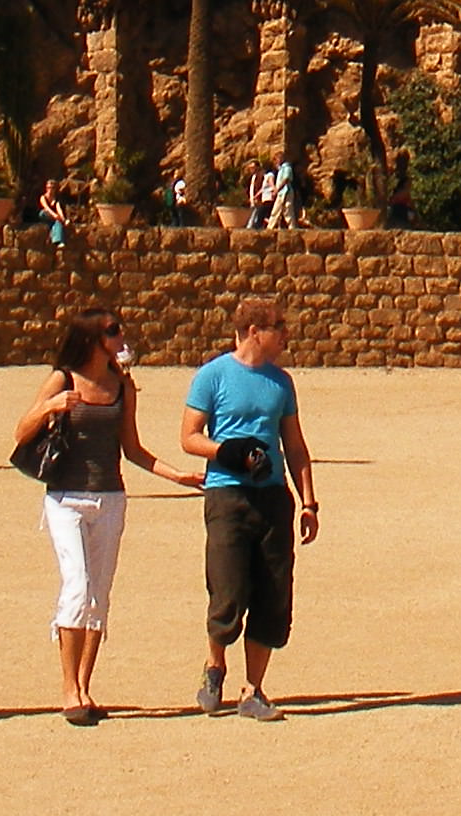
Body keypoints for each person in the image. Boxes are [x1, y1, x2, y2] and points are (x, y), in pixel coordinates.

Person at [13, 306, 204, 725]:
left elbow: (132, 448)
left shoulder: (122, 386)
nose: (121, 337)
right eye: (113, 331)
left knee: (99, 594)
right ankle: (68, 689)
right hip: (65, 498)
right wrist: (51, 407)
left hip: (111, 498)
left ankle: (84, 687)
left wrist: (179, 476)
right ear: (92, 339)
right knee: (77, 586)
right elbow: (20, 433)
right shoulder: (61, 379)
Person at [183, 297, 320, 721]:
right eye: (278, 327)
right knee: (227, 591)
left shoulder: (281, 383)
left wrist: (308, 502)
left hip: (273, 497)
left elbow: (294, 445)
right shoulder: (213, 376)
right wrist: (231, 452)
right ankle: (215, 666)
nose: (285, 334)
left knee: (273, 594)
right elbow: (189, 437)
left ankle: (252, 690)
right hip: (227, 495)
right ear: (254, 331)